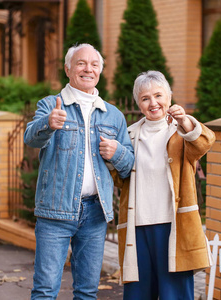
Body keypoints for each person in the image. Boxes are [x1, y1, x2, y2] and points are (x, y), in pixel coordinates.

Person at [24, 43, 134, 299]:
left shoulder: (113, 115)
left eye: (94, 65)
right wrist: (48, 123)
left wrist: (116, 151)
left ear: (100, 71)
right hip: (55, 211)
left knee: (87, 292)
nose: (88, 69)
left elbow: (128, 167)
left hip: (95, 214)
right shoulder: (51, 104)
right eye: (81, 63)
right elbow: (31, 139)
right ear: (68, 69)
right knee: (44, 290)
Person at [113, 70, 216, 299]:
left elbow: (204, 144)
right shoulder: (129, 135)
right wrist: (114, 156)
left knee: (175, 295)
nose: (153, 103)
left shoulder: (180, 132)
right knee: (137, 295)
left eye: (158, 95)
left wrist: (185, 121)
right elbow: (119, 179)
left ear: (169, 97)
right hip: (137, 228)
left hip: (173, 227)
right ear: (139, 104)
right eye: (145, 98)